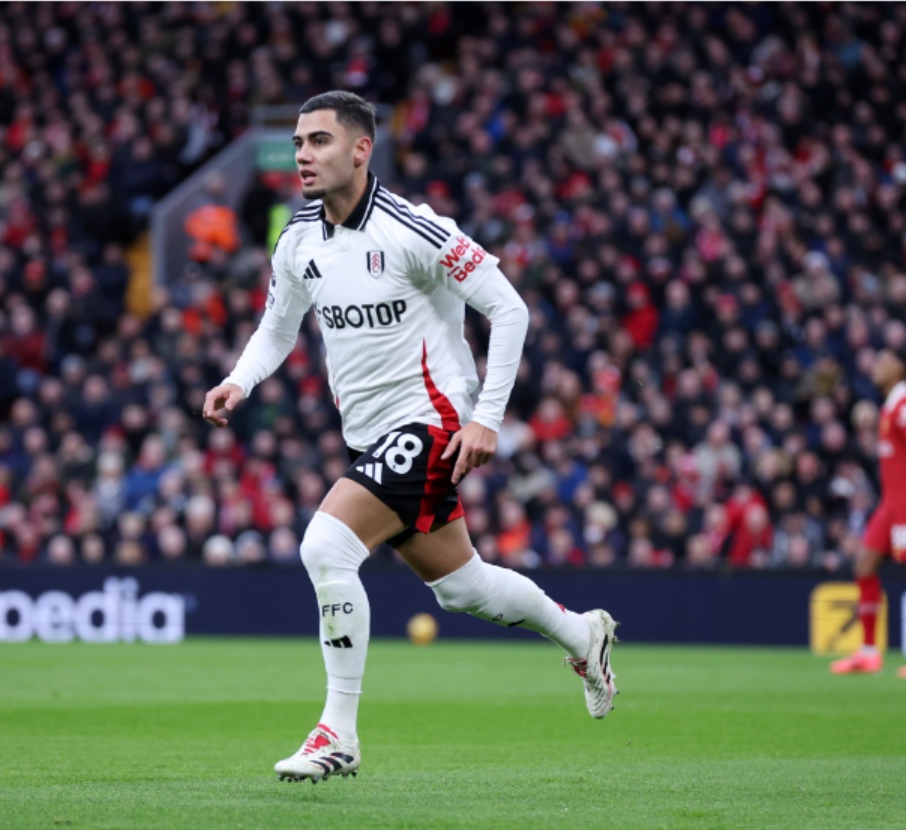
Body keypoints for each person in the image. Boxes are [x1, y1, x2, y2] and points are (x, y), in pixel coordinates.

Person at [202, 91, 619, 783]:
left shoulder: (414, 230)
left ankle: (337, 732)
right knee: (463, 589)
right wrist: (239, 380)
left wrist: (486, 416)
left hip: (432, 423)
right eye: (299, 142)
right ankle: (584, 634)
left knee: (325, 544)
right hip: (371, 439)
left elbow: (508, 308)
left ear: (361, 150)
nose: (303, 154)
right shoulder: (298, 238)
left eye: (320, 141)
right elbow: (278, 327)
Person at [831, 348, 906, 678]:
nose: (876, 365)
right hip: (890, 506)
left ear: (900, 369)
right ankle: (869, 652)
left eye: (883, 361)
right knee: (864, 567)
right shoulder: (891, 406)